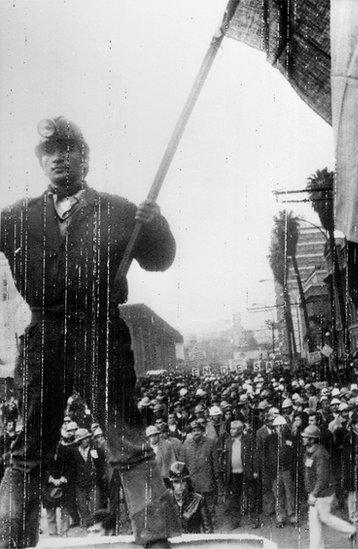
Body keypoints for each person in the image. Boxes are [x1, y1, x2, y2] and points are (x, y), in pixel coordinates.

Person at [0, 117, 178, 548]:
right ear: (42, 162)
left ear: (85, 157)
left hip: (100, 332)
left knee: (127, 442)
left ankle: (153, 539)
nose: (59, 157)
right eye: (50, 152)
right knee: (28, 452)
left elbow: (160, 260)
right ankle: (9, 541)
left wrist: (154, 224)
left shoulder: (120, 210)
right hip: (43, 337)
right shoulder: (16, 216)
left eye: (69, 149)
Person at [302, 425, 356, 549]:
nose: (303, 439)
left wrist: (314, 494)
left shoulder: (320, 454)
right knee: (319, 520)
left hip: (322, 494)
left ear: (312, 439)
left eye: (306, 437)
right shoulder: (310, 451)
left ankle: (350, 530)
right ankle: (350, 530)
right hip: (317, 492)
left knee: (320, 520)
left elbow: (322, 478)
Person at [167, 461, 213, 534]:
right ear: (171, 484)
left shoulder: (198, 500)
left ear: (187, 482)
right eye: (176, 482)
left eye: (183, 481)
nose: (180, 485)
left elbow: (208, 529)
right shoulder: (165, 501)